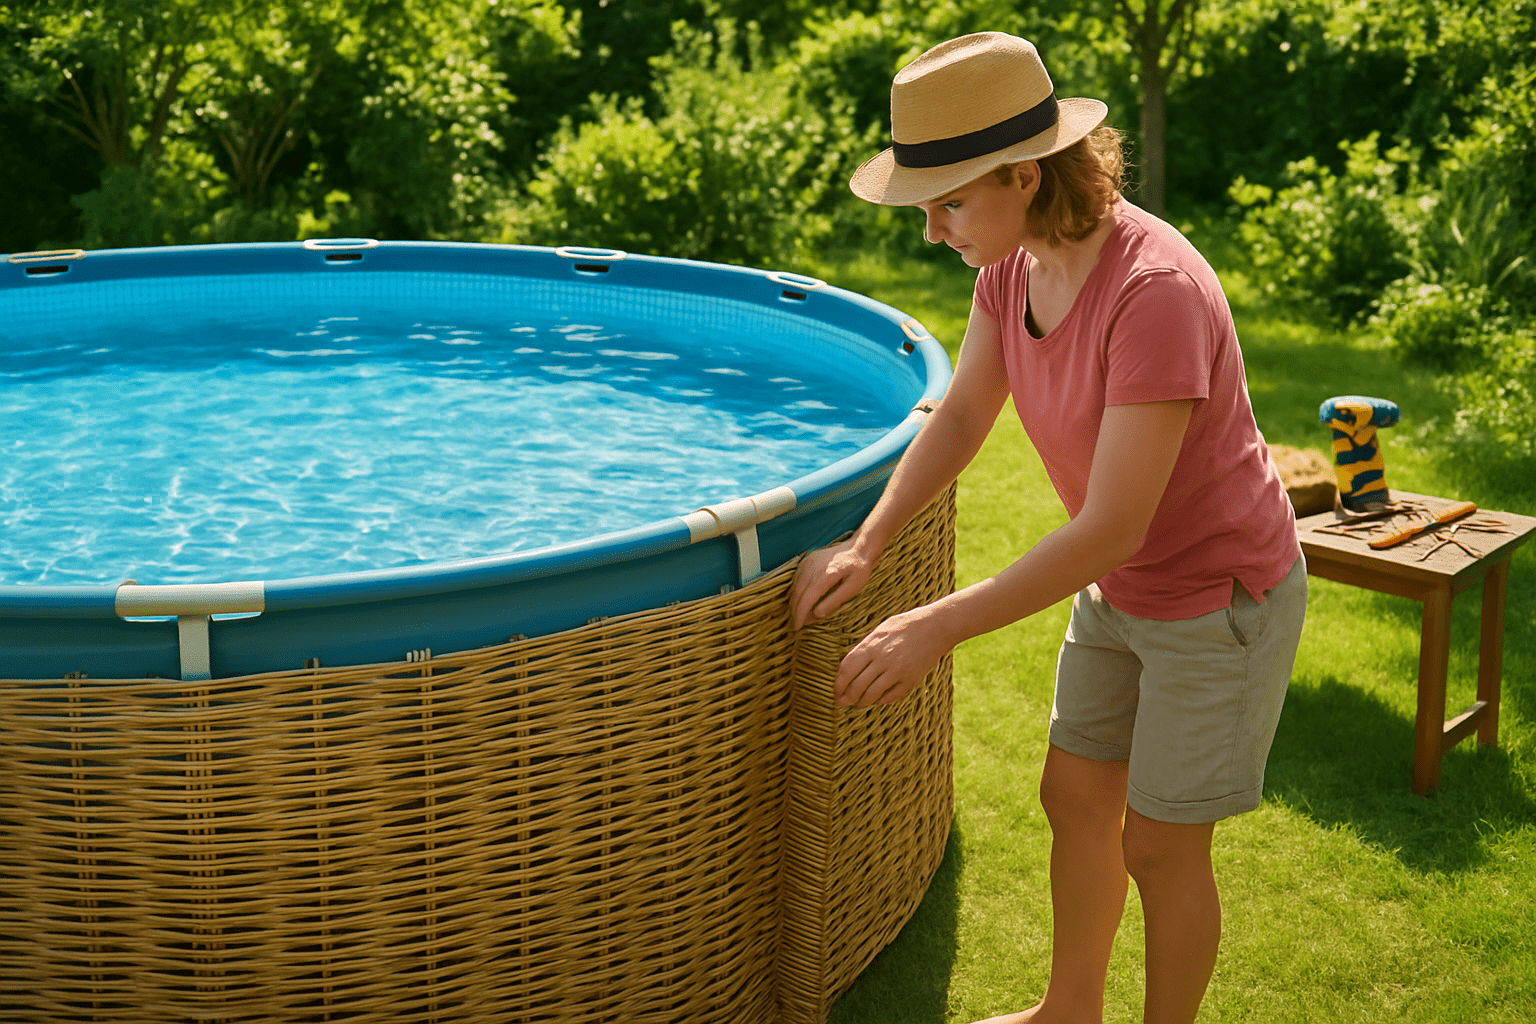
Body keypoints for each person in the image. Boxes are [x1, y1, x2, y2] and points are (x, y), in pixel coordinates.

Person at [788, 32, 1307, 1024]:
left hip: (1218, 600)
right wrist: (869, 538)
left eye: (948, 202)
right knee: (1074, 797)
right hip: (1122, 589)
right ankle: (1068, 1010)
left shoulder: (1155, 294)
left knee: (1159, 842)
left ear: (1025, 174)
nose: (933, 231)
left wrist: (934, 624)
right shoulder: (1012, 267)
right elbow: (966, 416)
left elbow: (1113, 525)